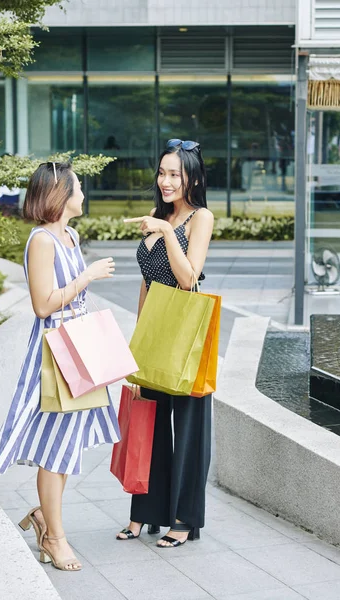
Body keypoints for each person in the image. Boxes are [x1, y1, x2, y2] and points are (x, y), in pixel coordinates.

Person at [0, 161, 120, 571]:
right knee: (53, 449)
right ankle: (55, 537)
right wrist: (88, 276)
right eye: (78, 187)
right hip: (54, 353)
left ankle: (45, 521)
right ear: (60, 195)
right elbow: (43, 304)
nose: (83, 193)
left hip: (78, 350)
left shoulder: (71, 236)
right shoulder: (41, 240)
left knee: (64, 446)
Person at [117, 138, 214, 548]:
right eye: (162, 172)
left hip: (186, 335)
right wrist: (135, 346)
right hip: (156, 331)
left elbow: (189, 277)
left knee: (188, 429)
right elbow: (147, 284)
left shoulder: (200, 218)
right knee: (149, 423)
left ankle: (183, 518)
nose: (166, 180)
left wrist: (165, 231)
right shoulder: (159, 217)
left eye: (174, 173)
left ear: (191, 176)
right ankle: (145, 513)